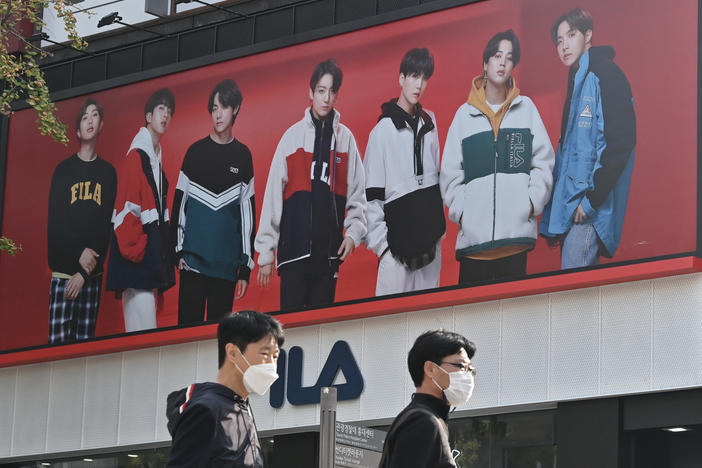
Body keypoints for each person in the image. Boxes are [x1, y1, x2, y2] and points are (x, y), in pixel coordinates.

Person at [440, 30, 555, 285]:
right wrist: (464, 215)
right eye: (496, 55)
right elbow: (449, 175)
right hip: (474, 248)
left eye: (509, 57)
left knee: (515, 323)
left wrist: (531, 204)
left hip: (515, 244)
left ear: (514, 66)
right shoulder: (463, 116)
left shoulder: (526, 110)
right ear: (485, 63)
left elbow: (544, 162)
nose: (502, 62)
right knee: (468, 323)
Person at [255, 59, 367, 310]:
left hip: (328, 258)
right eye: (320, 90)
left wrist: (353, 234)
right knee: (291, 334)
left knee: (319, 335)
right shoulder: (292, 137)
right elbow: (273, 195)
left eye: (331, 91)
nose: (325, 98)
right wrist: (265, 252)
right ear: (311, 92)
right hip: (294, 255)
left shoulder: (345, 140)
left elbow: (359, 196)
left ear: (336, 95)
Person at [540, 8, 636, 269]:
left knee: (575, 295)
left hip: (589, 211)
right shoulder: (579, 79)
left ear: (588, 35)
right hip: (574, 209)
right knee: (572, 294)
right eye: (559, 41)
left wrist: (592, 200)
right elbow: (569, 152)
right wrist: (555, 216)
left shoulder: (605, 74)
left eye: (571, 35)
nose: (564, 46)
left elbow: (621, 142)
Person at [171, 79, 255, 324]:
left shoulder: (243, 156)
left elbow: (247, 215)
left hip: (226, 271)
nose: (218, 115)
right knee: (186, 344)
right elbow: (179, 204)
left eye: (224, 107)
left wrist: (245, 267)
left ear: (236, 109)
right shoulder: (195, 152)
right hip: (193, 265)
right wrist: (177, 251)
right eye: (214, 108)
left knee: (218, 345)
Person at [363, 48, 446, 296]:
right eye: (413, 76)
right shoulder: (382, 132)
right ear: (401, 79)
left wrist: (437, 234)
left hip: (430, 251)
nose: (418, 84)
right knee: (390, 328)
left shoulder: (430, 123)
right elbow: (371, 198)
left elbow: (439, 181)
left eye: (424, 78)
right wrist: (384, 249)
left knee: (429, 327)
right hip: (396, 256)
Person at [166, 310, 284, 467]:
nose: (271, 364)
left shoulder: (240, 407)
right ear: (233, 353)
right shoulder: (206, 409)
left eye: (275, 356)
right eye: (264, 353)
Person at [47, 98, 117, 344]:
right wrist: (77, 257)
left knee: (84, 353)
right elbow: (56, 225)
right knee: (56, 354)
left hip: (90, 278)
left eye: (95, 115)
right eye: (85, 116)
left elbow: (104, 229)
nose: (90, 120)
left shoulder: (108, 173)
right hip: (63, 275)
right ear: (77, 130)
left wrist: (84, 274)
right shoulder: (63, 171)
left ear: (101, 126)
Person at [106, 88, 176, 332]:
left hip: (143, 265)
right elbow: (126, 213)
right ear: (148, 116)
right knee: (143, 338)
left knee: (141, 339)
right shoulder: (138, 156)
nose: (165, 115)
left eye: (169, 111)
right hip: (136, 264)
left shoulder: (153, 158)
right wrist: (144, 254)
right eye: (160, 110)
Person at [379, 329, 476, 468]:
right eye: (460, 366)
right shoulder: (423, 421)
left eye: (470, 369)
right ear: (430, 369)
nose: (467, 376)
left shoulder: (428, 418)